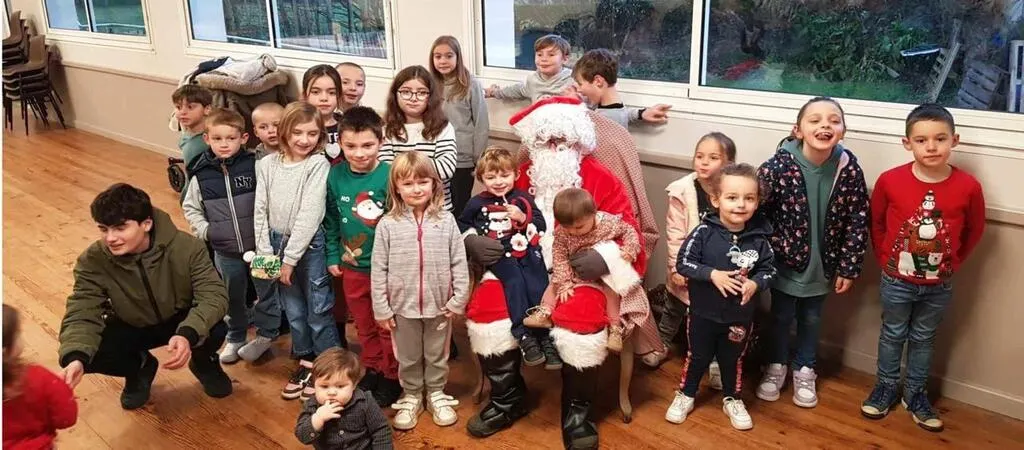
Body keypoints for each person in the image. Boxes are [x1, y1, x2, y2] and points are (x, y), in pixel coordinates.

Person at [463, 96, 655, 448]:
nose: (553, 147)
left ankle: (576, 412)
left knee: (581, 320)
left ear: (578, 140)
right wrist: (472, 240)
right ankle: (508, 399)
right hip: (518, 264)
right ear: (533, 142)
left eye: (561, 140)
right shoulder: (514, 176)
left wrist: (604, 257)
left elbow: (628, 229)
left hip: (581, 276)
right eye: (545, 139)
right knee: (487, 309)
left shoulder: (601, 179)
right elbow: (478, 215)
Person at [861, 104, 985, 432]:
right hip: (896, 281)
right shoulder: (890, 180)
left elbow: (975, 229)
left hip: (938, 284)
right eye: (921, 140)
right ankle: (886, 387)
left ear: (954, 140)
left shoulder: (968, 186)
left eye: (940, 139)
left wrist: (953, 262)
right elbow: (876, 222)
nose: (931, 147)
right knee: (892, 334)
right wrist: (884, 257)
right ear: (907, 143)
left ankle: (915, 393)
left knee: (924, 338)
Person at [58, 183, 231, 410]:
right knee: (87, 351)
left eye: (120, 228)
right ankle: (139, 368)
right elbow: (82, 309)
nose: (110, 238)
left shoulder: (188, 247)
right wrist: (75, 357)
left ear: (146, 224)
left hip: (179, 319)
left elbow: (213, 295)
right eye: (103, 229)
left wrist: (188, 334)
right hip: (132, 324)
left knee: (215, 326)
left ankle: (203, 362)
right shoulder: (92, 261)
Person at [756, 96, 870, 408]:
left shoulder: (848, 169)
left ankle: (805, 368)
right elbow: (757, 214)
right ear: (798, 130)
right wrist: (773, 250)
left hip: (825, 266)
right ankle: (775, 365)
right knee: (781, 316)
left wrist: (849, 267)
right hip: (784, 264)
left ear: (843, 130)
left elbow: (858, 219)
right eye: (815, 120)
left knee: (811, 318)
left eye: (834, 120)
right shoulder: (776, 168)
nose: (825, 126)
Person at [239, 102, 340, 401]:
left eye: (312, 133)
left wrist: (290, 260)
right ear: (284, 131)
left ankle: (328, 366)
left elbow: (310, 214)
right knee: (293, 310)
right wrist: (266, 252)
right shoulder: (266, 165)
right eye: (297, 132)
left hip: (308, 246)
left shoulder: (317, 165)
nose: (304, 140)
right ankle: (306, 360)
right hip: (274, 243)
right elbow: (260, 210)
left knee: (318, 309)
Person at [664, 163, 776, 431]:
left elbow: (770, 270)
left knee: (732, 360)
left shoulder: (760, 239)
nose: (741, 204)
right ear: (716, 200)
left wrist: (755, 283)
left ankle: (732, 398)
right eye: (732, 197)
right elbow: (683, 263)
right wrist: (712, 274)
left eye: (749, 198)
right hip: (702, 314)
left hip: (739, 317)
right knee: (697, 357)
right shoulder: (703, 232)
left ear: (757, 202)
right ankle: (686, 394)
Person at [371, 152, 469, 431]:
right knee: (408, 356)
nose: (416, 189)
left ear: (434, 184)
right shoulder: (387, 224)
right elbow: (378, 268)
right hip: (402, 308)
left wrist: (458, 299)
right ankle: (412, 394)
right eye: (408, 183)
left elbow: (459, 261)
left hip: (440, 306)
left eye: (422, 182)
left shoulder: (446, 221)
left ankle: (436, 392)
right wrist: (381, 307)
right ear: (396, 187)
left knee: (437, 354)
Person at [323, 106, 402, 408]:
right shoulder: (335, 175)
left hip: (385, 269)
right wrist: (333, 255)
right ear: (340, 144)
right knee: (363, 324)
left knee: (386, 325)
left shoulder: (390, 175)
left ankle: (392, 375)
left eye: (367, 145)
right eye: (351, 146)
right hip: (351, 267)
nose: (359, 153)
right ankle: (373, 367)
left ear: (381, 142)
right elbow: (331, 219)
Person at [458, 146, 558, 368]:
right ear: (481, 178)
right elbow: (462, 225)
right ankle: (523, 334)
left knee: (537, 281)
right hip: (498, 254)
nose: (499, 182)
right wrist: (472, 240)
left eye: (504, 175)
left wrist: (523, 218)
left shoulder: (523, 198)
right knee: (515, 282)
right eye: (491, 177)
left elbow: (540, 224)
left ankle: (545, 337)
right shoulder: (476, 203)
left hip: (526, 251)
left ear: (516, 174)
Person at [524, 188, 644, 354]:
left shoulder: (608, 223)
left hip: (602, 273)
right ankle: (545, 312)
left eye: (579, 227)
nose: (573, 232)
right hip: (575, 270)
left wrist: (630, 248)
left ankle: (615, 328)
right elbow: (559, 256)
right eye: (567, 227)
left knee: (612, 292)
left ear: (593, 214)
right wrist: (564, 283)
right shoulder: (562, 233)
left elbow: (629, 230)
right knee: (554, 284)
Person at [181, 109, 258, 365]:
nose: (224, 144)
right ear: (207, 139)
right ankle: (236, 336)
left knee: (266, 291)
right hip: (225, 250)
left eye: (231, 138)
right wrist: (207, 231)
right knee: (232, 295)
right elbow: (191, 207)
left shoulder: (255, 165)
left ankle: (265, 332)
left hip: (259, 247)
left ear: (243, 138)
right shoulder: (200, 173)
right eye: (217, 138)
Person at [662, 132, 737, 388]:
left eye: (713, 157)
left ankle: (716, 360)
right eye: (699, 156)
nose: (704, 162)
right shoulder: (682, 191)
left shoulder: (733, 192)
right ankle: (661, 343)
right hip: (687, 263)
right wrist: (676, 267)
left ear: (728, 163)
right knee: (674, 305)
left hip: (719, 269)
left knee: (717, 316)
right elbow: (674, 234)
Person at [379, 65, 458, 211]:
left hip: (437, 209)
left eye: (422, 93)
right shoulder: (387, 129)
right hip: (400, 209)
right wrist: (425, 172)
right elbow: (385, 169)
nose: (414, 98)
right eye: (406, 92)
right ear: (395, 94)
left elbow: (446, 168)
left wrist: (403, 171)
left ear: (431, 96)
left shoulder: (443, 127)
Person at [430, 35, 490, 215]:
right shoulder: (429, 84)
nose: (443, 61)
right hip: (435, 155)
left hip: (462, 158)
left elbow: (481, 123)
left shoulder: (471, 84)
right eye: (438, 56)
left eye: (449, 56)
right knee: (439, 203)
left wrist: (478, 157)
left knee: (460, 204)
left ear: (458, 57)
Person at [4, 304, 78, 449]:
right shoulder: (39, 378)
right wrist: (60, 388)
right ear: (7, 350)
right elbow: (67, 418)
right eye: (18, 333)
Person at [294, 348, 394, 449]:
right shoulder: (312, 405)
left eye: (340, 386)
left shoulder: (365, 401)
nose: (332, 392)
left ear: (354, 385)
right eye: (324, 386)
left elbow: (381, 431)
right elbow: (303, 437)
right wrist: (318, 418)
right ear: (314, 385)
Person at [569, 48, 671, 127]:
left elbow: (583, 134)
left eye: (580, 84)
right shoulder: (613, 107)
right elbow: (623, 113)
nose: (579, 90)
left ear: (598, 81)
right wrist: (641, 113)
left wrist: (574, 106)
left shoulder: (607, 118)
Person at [485, 34, 573, 102]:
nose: (544, 59)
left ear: (565, 59)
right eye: (539, 55)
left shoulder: (572, 80)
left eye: (551, 55)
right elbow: (516, 90)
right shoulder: (532, 80)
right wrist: (494, 92)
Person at [172, 84, 213, 202]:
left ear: (207, 109)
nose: (183, 112)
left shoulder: (211, 141)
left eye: (190, 107)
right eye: (178, 107)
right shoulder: (186, 135)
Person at [302, 64, 346, 166]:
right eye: (316, 92)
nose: (324, 98)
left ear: (339, 96)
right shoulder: (298, 126)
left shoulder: (347, 124)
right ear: (305, 96)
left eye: (331, 93)